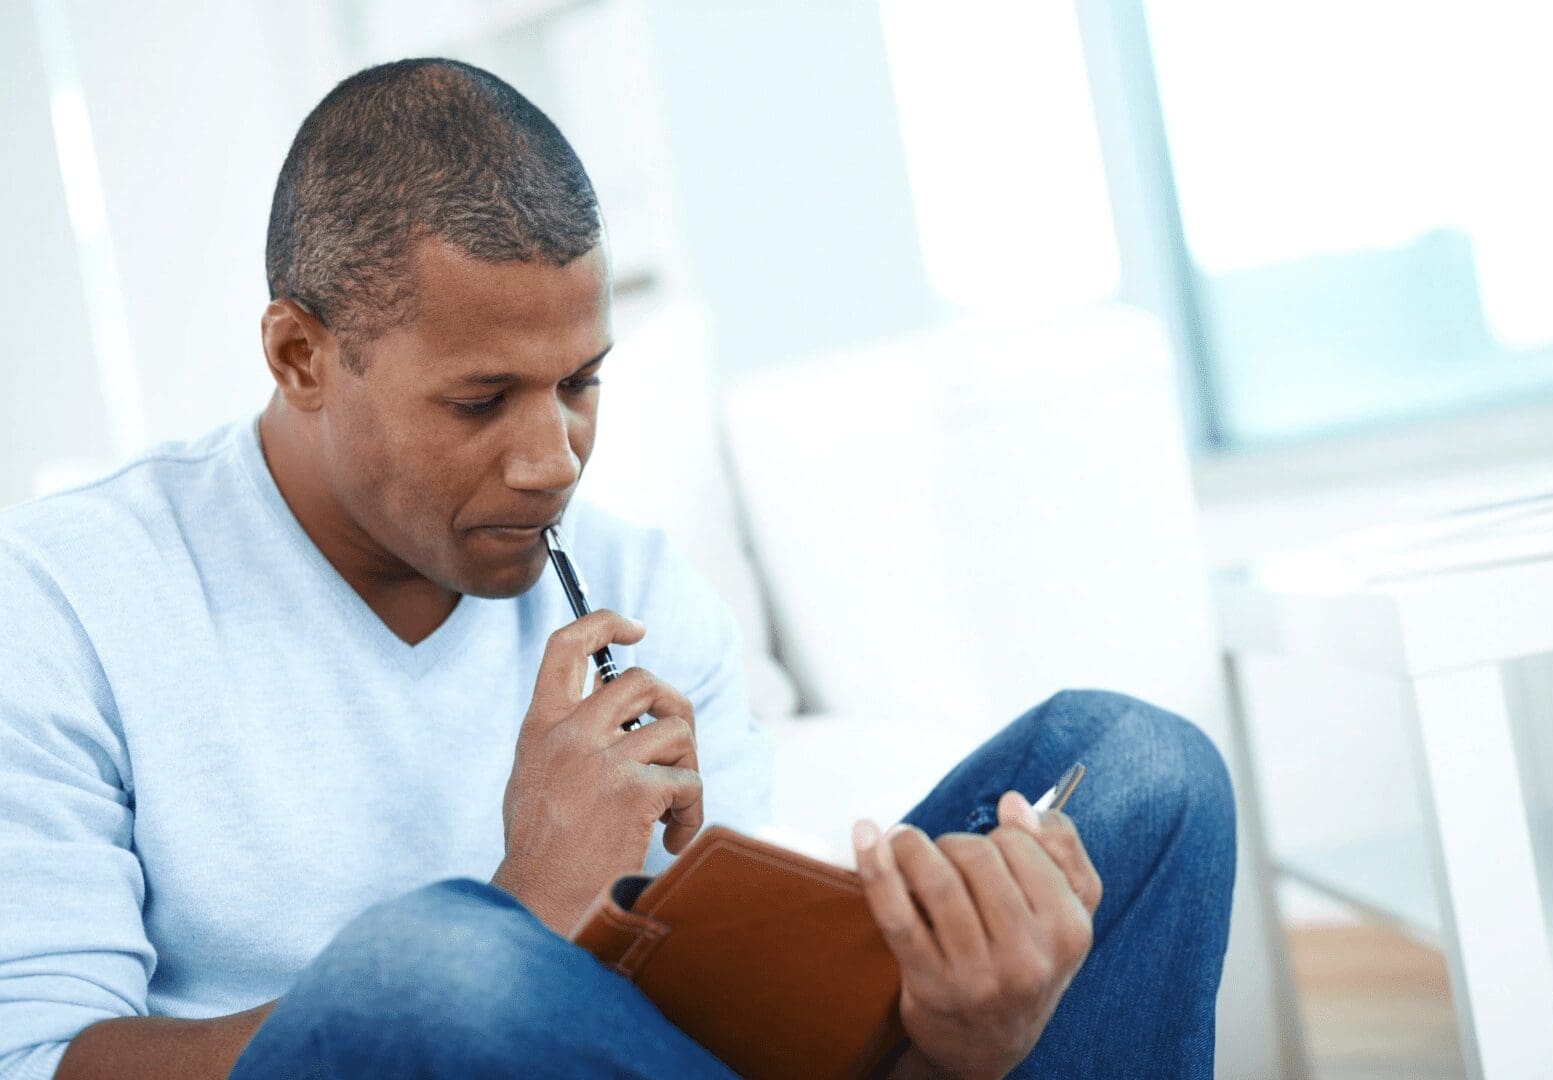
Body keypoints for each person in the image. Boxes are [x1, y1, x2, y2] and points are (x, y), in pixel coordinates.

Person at [0, 59, 1236, 1080]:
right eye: (482, 400)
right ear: (300, 354)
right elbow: (44, 1056)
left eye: (581, 384)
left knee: (1142, 768)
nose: (553, 461)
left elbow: (741, 1041)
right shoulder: (66, 601)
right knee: (422, 971)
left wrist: (959, 1039)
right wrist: (526, 913)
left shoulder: (644, 596)